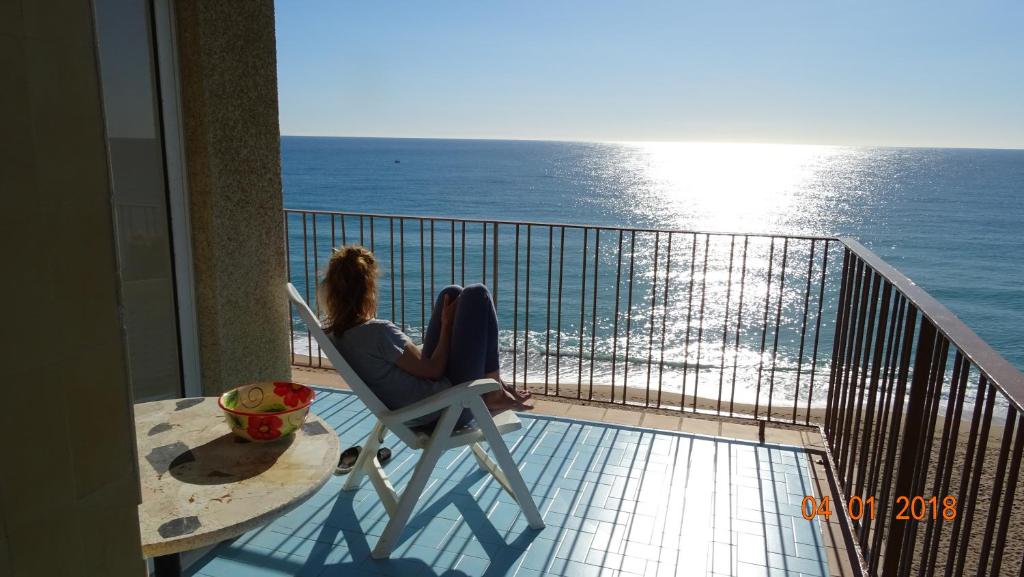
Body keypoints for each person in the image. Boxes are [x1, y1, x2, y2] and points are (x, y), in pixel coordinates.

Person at [320, 245, 532, 428]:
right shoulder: (378, 332)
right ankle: (493, 392)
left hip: (413, 408)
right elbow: (433, 371)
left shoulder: (335, 335)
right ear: (369, 291)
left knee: (452, 292)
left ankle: (496, 384)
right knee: (478, 294)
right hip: (445, 411)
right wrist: (447, 325)